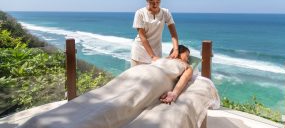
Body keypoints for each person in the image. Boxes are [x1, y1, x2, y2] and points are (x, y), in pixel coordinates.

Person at [20, 45, 193, 128]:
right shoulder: (169, 61)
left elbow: (184, 80)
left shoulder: (181, 66)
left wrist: (174, 93)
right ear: (174, 53)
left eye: (187, 58)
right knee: (108, 96)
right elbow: (183, 79)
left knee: (116, 100)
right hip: (143, 74)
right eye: (186, 56)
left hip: (150, 76)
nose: (186, 59)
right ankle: (42, 123)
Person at [131, 0, 179, 67]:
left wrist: (176, 49)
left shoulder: (165, 12)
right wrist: (153, 56)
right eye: (152, 1)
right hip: (140, 53)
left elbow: (173, 34)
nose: (155, 4)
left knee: (154, 79)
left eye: (158, 1)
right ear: (147, 0)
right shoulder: (140, 13)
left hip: (157, 53)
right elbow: (143, 38)